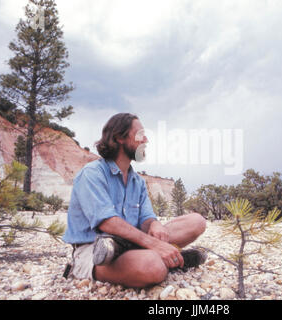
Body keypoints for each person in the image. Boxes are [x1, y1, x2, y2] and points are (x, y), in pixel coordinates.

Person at [62, 113, 207, 288]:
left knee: (197, 221)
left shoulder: (137, 181)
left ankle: (162, 257)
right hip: (94, 249)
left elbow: (146, 219)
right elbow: (107, 222)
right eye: (140, 135)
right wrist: (155, 245)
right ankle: (175, 260)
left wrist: (154, 225)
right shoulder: (92, 173)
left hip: (131, 243)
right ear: (119, 138)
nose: (146, 140)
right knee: (153, 267)